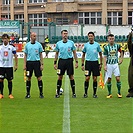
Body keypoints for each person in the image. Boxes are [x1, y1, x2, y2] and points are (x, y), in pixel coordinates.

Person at [54, 30, 78, 98]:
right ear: (61, 35)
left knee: (71, 76)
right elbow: (56, 53)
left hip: (69, 61)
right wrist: (55, 63)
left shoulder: (71, 43)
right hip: (61, 61)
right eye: (64, 34)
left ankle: (73, 93)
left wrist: (76, 62)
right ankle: (57, 93)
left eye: (66, 34)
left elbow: (74, 52)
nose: (65, 35)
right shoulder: (58, 43)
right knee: (60, 77)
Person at [81, 32, 103, 98]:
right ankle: (85, 93)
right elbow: (83, 55)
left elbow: (100, 54)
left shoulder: (97, 45)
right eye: (89, 36)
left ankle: (94, 93)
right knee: (87, 78)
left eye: (91, 36)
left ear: (94, 37)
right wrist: (82, 64)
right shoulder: (86, 45)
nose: (90, 37)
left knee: (95, 78)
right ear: (88, 37)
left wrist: (101, 63)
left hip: (95, 63)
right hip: (88, 63)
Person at [23, 32, 44, 99]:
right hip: (29, 63)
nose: (35, 37)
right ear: (31, 36)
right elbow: (25, 55)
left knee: (39, 78)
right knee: (28, 78)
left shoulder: (39, 45)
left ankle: (41, 93)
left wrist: (42, 64)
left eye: (35, 36)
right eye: (34, 36)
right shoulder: (27, 45)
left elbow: (41, 55)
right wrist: (24, 64)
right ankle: (28, 93)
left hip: (37, 63)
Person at [103, 34, 123, 98]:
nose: (111, 40)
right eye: (110, 39)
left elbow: (121, 51)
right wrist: (105, 65)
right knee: (109, 79)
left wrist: (121, 59)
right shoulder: (106, 47)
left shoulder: (117, 46)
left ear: (114, 39)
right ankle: (109, 93)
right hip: (109, 65)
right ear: (108, 39)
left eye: (112, 38)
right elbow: (105, 57)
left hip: (115, 64)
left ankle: (119, 93)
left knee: (118, 78)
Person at [0, 34, 18, 99]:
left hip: (9, 66)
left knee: (9, 80)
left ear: (8, 39)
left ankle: (10, 94)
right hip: (1, 66)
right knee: (1, 80)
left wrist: (16, 65)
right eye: (4, 38)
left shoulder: (11, 47)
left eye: (6, 38)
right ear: (2, 39)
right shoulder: (0, 47)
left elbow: (15, 56)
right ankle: (1, 93)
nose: (5, 40)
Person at [126, 31, 133, 97]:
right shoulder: (132, 47)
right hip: (132, 63)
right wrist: (130, 35)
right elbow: (129, 44)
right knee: (131, 77)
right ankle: (131, 91)